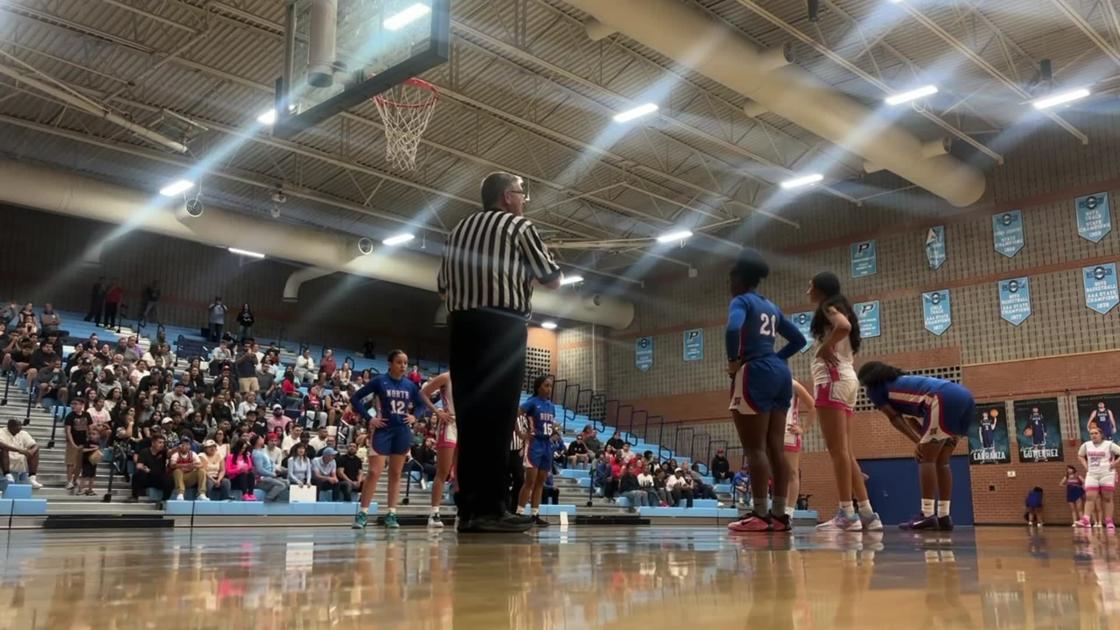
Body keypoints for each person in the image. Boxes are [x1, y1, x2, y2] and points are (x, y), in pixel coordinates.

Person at [438, 171, 561, 533]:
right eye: (522, 194)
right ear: (507, 196)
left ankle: (469, 510)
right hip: (501, 324)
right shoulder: (518, 227)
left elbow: (443, 288)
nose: (524, 200)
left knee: (472, 419)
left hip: (461, 326)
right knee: (497, 415)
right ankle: (492, 508)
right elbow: (551, 277)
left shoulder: (457, 231)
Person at [723, 249, 806, 533]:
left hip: (755, 371)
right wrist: (778, 358)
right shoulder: (771, 306)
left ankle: (759, 514)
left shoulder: (741, 301)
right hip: (781, 374)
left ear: (738, 279)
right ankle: (780, 515)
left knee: (754, 448)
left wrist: (734, 362)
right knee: (775, 448)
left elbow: (733, 328)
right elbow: (798, 339)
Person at [858, 361, 976, 531]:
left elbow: (894, 418)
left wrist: (919, 443)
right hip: (964, 397)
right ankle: (944, 516)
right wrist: (922, 440)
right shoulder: (905, 382)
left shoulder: (875, 389)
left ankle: (927, 515)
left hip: (942, 398)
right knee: (942, 461)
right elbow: (913, 420)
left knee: (925, 460)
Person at [808, 272, 881, 532]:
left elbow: (843, 327)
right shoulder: (839, 306)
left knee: (837, 452)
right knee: (845, 451)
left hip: (833, 379)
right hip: (847, 379)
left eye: (811, 286)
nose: (808, 291)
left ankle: (846, 513)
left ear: (820, 289)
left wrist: (825, 346)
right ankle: (868, 514)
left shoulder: (829, 307)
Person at [350, 350, 444, 530]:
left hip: (402, 432)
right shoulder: (379, 381)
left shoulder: (410, 385)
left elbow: (421, 404)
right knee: (374, 472)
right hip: (382, 431)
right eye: (399, 362)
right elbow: (355, 399)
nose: (403, 366)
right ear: (390, 363)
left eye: (405, 363)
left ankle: (391, 514)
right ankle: (362, 513)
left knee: (396, 474)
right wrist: (370, 418)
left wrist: (415, 416)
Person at [516, 375, 557, 527]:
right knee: (530, 481)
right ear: (538, 387)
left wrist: (553, 431)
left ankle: (535, 514)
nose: (549, 388)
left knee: (541, 481)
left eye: (550, 386)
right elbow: (515, 415)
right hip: (534, 444)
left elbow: (550, 425)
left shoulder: (551, 406)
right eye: (546, 385)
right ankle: (519, 513)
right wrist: (521, 433)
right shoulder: (531, 403)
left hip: (547, 445)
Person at [421, 372, 457, 528]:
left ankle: (462, 513)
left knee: (461, 473)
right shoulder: (446, 377)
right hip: (449, 423)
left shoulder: (472, 377)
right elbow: (423, 393)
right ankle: (434, 513)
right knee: (443, 471)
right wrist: (437, 412)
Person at [1077, 426, 1120, 530]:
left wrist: (1115, 463)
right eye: (1091, 433)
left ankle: (1109, 520)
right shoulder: (1086, 445)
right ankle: (1086, 519)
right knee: (1090, 496)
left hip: (1107, 473)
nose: (1093, 435)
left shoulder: (1109, 444)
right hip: (1092, 473)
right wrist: (1085, 465)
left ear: (1101, 434)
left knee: (1107, 498)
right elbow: (1080, 455)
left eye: (1096, 433)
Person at [784, 380, 816, 517]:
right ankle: (779, 508)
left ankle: (789, 512)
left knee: (792, 472)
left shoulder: (793, 384)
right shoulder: (768, 381)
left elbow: (813, 406)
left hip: (789, 433)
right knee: (777, 474)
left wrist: (804, 428)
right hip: (772, 433)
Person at [0, 418, 41, 489]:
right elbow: (1, 444)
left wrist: (31, 451)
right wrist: (19, 450)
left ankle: (32, 477)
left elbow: (35, 445)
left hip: (20, 460)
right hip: (5, 459)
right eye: (17, 426)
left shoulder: (23, 433)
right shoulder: (1, 432)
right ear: (10, 426)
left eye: (20, 426)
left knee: (35, 451)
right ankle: (7, 474)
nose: (20, 428)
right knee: (4, 449)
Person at [129, 435, 172, 502]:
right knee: (137, 474)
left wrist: (177, 448)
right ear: (153, 443)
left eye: (163, 443)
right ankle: (134, 497)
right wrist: (145, 469)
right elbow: (139, 465)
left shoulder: (164, 452)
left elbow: (170, 453)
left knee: (170, 480)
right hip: (148, 477)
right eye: (160, 442)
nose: (162, 445)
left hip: (159, 478)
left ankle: (164, 501)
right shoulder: (144, 452)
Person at [64, 398, 93, 492]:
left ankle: (75, 479)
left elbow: (90, 428)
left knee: (79, 464)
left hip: (83, 442)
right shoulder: (70, 416)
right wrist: (72, 443)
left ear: (81, 405)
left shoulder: (87, 415)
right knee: (70, 463)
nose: (73, 406)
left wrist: (89, 440)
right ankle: (69, 481)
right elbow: (68, 431)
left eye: (76, 404)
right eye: (72, 404)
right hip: (73, 442)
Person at [169, 436, 208, 501]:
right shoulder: (176, 454)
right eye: (184, 444)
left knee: (201, 471)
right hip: (178, 478)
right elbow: (172, 465)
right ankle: (180, 494)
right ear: (180, 446)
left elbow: (200, 465)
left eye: (188, 444)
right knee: (177, 471)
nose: (186, 446)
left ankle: (201, 494)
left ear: (190, 446)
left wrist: (193, 466)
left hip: (190, 477)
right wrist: (186, 465)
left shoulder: (193, 454)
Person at [251, 434, 289, 501]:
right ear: (257, 441)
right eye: (261, 439)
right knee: (281, 485)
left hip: (269, 476)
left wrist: (273, 470)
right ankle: (268, 499)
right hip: (261, 479)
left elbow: (271, 462)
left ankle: (276, 498)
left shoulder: (262, 451)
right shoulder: (257, 454)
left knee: (286, 482)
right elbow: (260, 470)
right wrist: (271, 474)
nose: (263, 439)